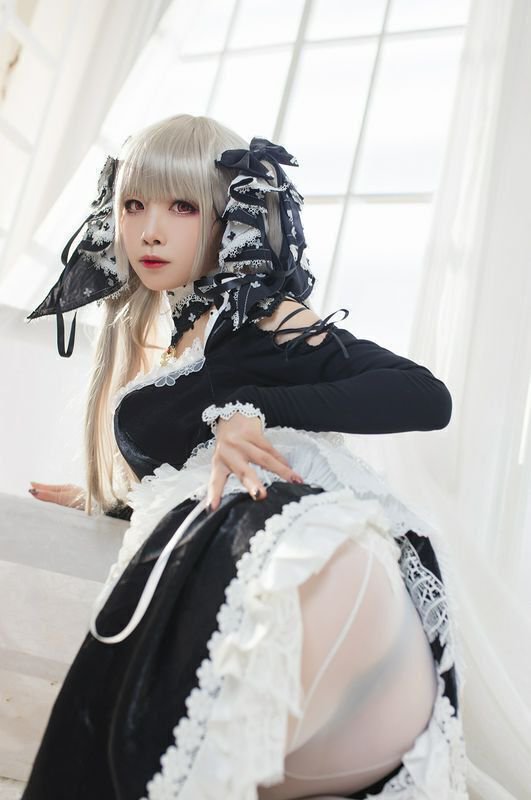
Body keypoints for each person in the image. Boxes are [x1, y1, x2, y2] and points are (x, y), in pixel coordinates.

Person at [22, 113, 468, 800]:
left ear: (229, 215)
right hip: (243, 559)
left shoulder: (264, 314)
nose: (150, 231)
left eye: (182, 206)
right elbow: (189, 466)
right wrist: (111, 499)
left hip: (288, 556)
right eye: (134, 205)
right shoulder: (184, 337)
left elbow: (424, 396)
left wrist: (254, 408)